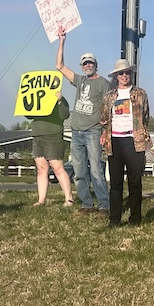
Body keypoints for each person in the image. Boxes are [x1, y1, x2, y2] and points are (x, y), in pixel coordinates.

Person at [55, 25, 110, 214]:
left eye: (90, 63)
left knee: (96, 170)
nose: (88, 66)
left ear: (96, 64)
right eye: (85, 63)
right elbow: (59, 66)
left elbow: (108, 109)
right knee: (79, 172)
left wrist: (105, 131)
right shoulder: (80, 80)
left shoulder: (103, 83)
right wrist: (62, 41)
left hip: (93, 131)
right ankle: (87, 203)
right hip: (76, 132)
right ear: (81, 66)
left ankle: (104, 204)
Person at [100, 58, 151, 228]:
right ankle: (114, 219)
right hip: (114, 141)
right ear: (116, 76)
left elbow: (145, 116)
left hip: (134, 141)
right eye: (120, 73)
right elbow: (104, 119)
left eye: (127, 72)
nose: (124, 76)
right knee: (115, 183)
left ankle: (135, 218)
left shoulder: (141, 94)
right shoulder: (109, 96)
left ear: (131, 74)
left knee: (135, 182)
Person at [31, 94, 73, 207]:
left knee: (57, 168)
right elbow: (28, 115)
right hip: (37, 134)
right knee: (41, 169)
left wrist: (60, 101)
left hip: (53, 135)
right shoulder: (35, 97)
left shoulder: (59, 98)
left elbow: (65, 115)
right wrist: (21, 102)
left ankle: (69, 199)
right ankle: (41, 200)